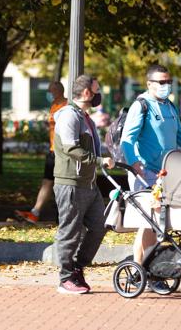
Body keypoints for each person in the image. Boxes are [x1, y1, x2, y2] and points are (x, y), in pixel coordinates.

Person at [120, 65, 181, 277]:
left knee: (160, 225)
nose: (165, 86)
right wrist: (135, 163)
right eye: (161, 82)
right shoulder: (142, 106)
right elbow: (127, 140)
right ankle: (139, 270)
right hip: (144, 173)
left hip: (166, 174)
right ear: (149, 84)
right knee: (149, 222)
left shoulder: (170, 107)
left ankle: (149, 269)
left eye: (168, 82)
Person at [53, 75, 115, 294]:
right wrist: (99, 161)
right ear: (87, 93)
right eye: (97, 90)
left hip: (88, 184)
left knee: (100, 226)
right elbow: (71, 149)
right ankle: (65, 278)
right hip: (71, 184)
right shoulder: (69, 116)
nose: (99, 95)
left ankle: (77, 267)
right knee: (70, 231)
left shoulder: (84, 117)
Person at [15, 81, 67, 224]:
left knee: (60, 185)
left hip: (62, 152)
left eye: (50, 91)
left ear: (58, 91)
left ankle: (62, 215)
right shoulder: (54, 106)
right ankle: (35, 213)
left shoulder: (66, 106)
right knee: (47, 183)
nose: (48, 94)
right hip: (52, 151)